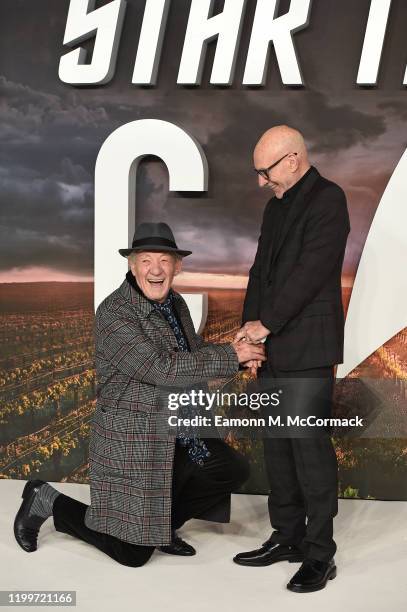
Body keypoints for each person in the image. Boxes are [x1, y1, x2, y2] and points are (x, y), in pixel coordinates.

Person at [14, 222, 266, 567]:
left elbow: (188, 353)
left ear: (178, 266)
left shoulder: (175, 303)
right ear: (132, 266)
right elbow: (160, 368)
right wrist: (229, 356)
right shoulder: (115, 313)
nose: (156, 269)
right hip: (136, 440)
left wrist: (238, 355)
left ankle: (158, 528)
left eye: (164, 260)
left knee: (229, 468)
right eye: (146, 260)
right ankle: (46, 499)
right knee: (132, 555)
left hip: (177, 431)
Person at [233, 126, 350, 593]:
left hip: (308, 349)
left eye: (266, 171)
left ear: (294, 159)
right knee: (277, 448)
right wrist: (248, 334)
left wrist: (267, 324)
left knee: (309, 452)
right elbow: (260, 272)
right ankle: (287, 537)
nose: (262, 181)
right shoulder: (274, 206)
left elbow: (311, 273)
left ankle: (320, 555)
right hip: (273, 347)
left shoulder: (329, 198)